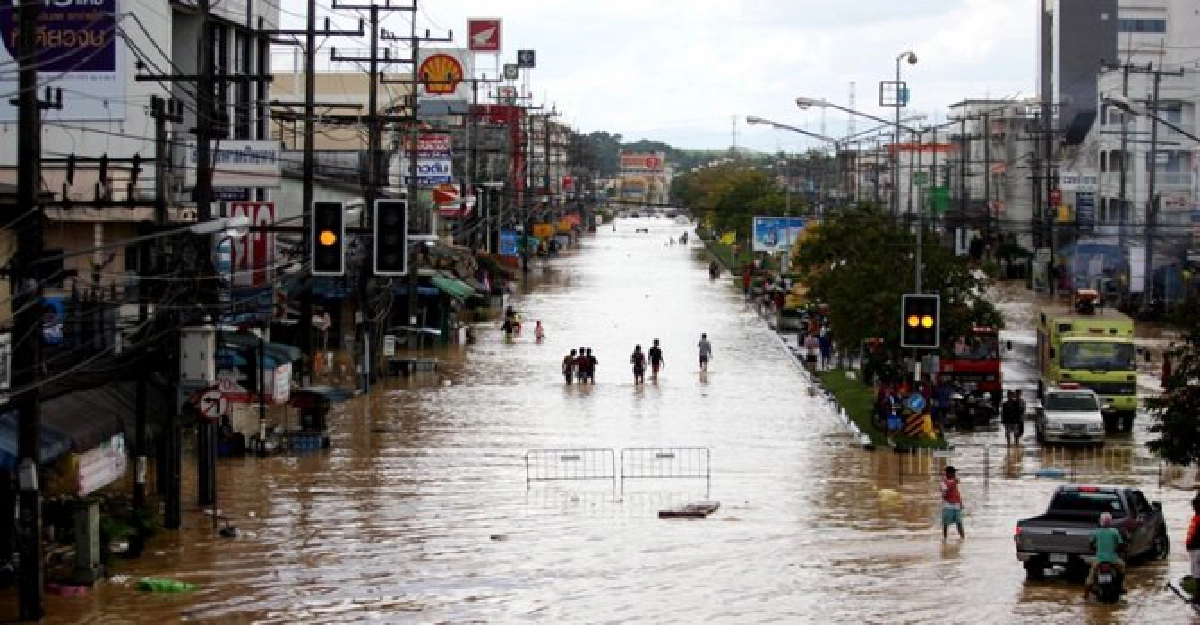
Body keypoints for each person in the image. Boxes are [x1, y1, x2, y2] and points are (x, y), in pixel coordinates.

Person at [1084, 512, 1125, 599]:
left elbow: (1091, 544)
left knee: (1090, 579)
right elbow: (1121, 545)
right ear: (1110, 522)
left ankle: (1085, 596)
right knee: (1122, 567)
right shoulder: (1115, 532)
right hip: (1113, 560)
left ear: (1100, 521)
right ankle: (1121, 586)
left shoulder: (1096, 532)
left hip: (1099, 561)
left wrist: (1095, 549)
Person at [940, 466, 965, 539]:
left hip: (957, 505)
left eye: (954, 472)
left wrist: (961, 502)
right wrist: (954, 484)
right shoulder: (943, 482)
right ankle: (944, 538)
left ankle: (962, 538)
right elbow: (945, 494)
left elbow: (957, 492)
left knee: (959, 522)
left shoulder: (955, 481)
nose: (954, 474)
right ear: (948, 473)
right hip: (948, 505)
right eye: (953, 472)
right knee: (946, 523)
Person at [1187, 496, 1200, 599]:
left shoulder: (1198, 518)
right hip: (1194, 548)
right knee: (1195, 570)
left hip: (1197, 548)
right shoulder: (1195, 518)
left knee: (1197, 571)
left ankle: (1198, 594)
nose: (1193, 507)